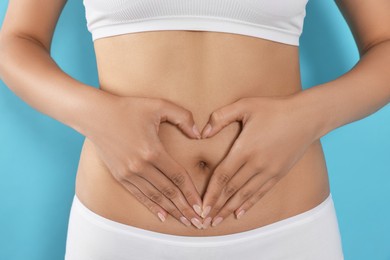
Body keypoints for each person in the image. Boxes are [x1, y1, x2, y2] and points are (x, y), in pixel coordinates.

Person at [0, 0, 389, 259]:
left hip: (288, 229)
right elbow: (17, 41)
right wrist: (98, 115)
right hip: (119, 233)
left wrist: (306, 116)